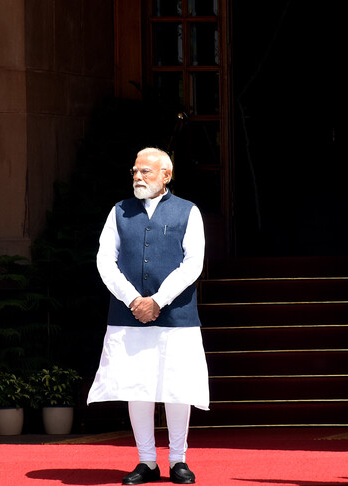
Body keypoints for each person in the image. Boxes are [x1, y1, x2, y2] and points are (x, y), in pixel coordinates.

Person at [87, 147, 210, 485]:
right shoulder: (119, 211)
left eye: (146, 171)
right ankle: (146, 461)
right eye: (135, 171)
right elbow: (104, 261)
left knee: (177, 387)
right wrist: (133, 299)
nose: (138, 177)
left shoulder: (189, 211)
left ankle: (178, 460)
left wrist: (157, 300)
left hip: (176, 316)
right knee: (136, 385)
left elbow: (193, 264)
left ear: (166, 175)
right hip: (128, 315)